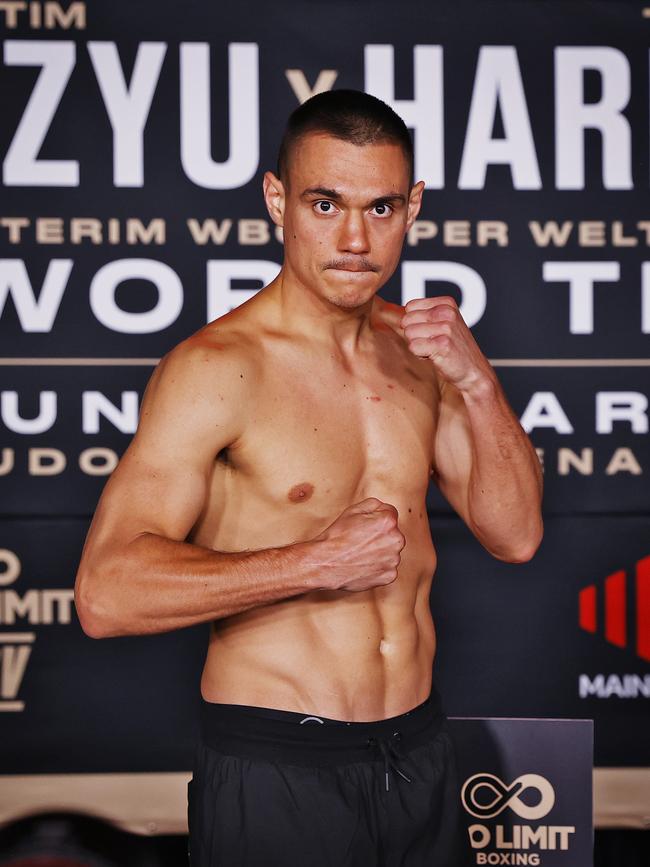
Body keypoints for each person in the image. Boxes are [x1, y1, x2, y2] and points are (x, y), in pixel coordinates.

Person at [74, 89, 543, 866]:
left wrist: (479, 386)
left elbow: (517, 534)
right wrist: (314, 563)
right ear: (277, 200)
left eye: (382, 208)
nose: (355, 238)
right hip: (277, 765)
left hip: (418, 752)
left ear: (414, 204)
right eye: (326, 203)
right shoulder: (218, 370)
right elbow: (104, 594)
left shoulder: (425, 357)